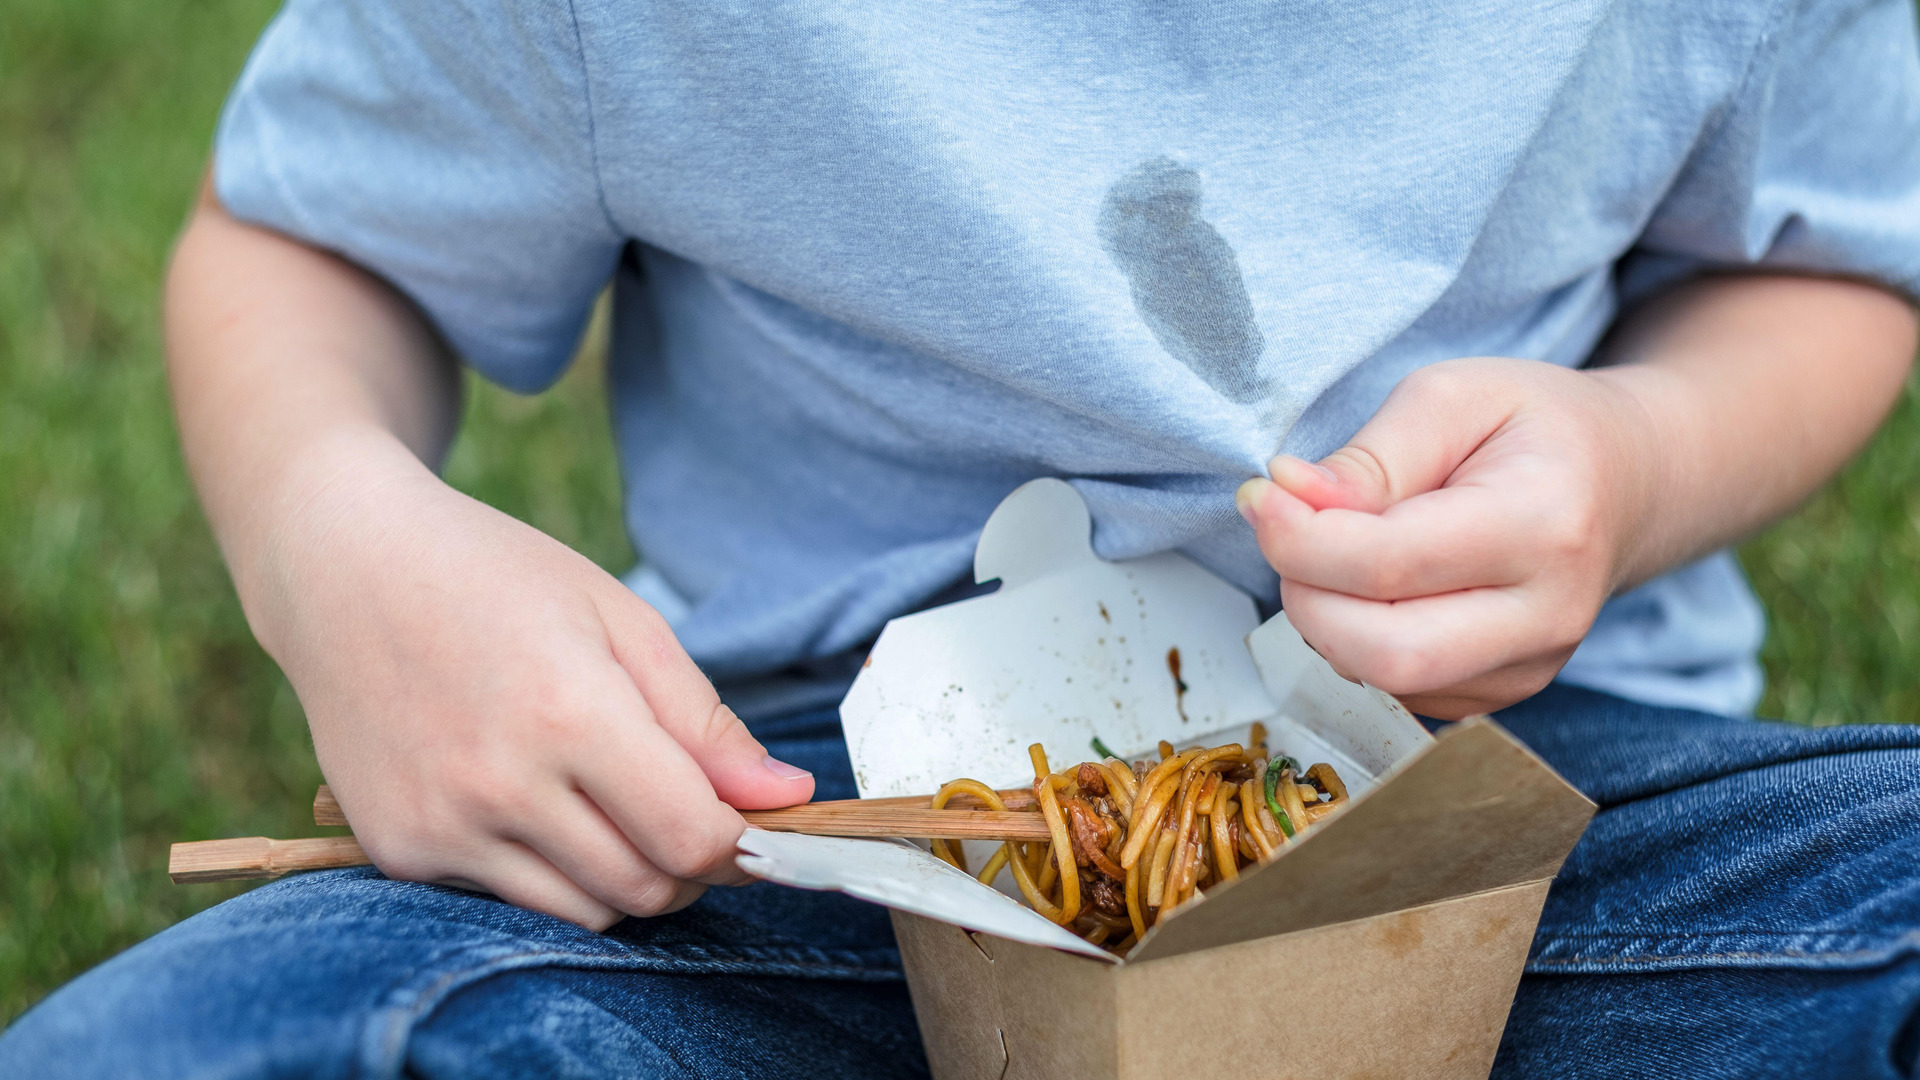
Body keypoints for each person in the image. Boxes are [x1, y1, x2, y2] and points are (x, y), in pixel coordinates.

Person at [5, 0, 1920, 1075]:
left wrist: (1638, 451)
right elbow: (313, 242)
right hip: (803, 858)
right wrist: (339, 538)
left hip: (1516, 834)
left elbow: (1830, 257)